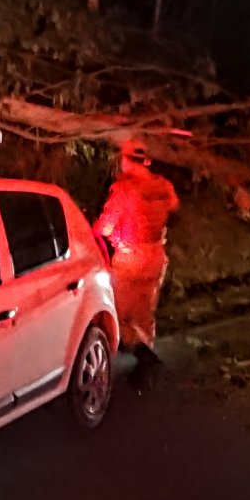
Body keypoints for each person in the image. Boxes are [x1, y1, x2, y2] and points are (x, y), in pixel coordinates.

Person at [94, 138, 179, 370]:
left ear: (126, 160)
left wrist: (91, 232)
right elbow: (173, 205)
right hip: (156, 255)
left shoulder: (125, 189)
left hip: (130, 257)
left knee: (116, 307)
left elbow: (105, 227)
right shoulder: (162, 185)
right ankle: (146, 348)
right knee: (145, 307)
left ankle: (134, 350)